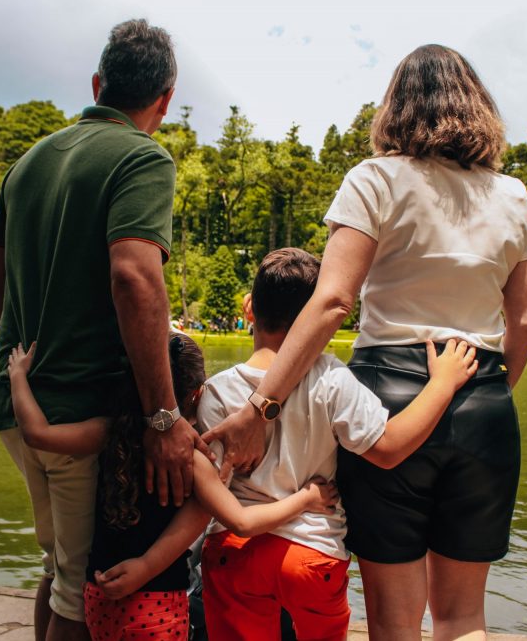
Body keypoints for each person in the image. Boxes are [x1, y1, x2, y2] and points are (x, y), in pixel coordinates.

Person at [203, 45, 527, 641]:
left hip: (387, 398)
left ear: (396, 108)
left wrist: (260, 408)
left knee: (393, 620)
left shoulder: (375, 179)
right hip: (484, 394)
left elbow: (332, 302)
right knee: (464, 617)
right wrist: (482, 393)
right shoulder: (513, 196)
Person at [0, 19, 209, 640]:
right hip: (81, 410)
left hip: (17, 404)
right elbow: (135, 277)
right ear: (165, 98)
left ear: (97, 84)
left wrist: (26, 351)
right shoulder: (141, 156)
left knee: (61, 570)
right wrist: (164, 418)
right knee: (83, 593)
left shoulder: (27, 164)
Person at [198, 248, 478, 641]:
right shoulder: (329, 376)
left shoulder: (216, 390)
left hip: (235, 550)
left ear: (249, 308)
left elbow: (208, 490)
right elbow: (388, 448)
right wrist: (442, 384)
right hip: (312, 551)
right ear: (313, 320)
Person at [6, 332, 338, 641]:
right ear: (196, 393)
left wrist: (18, 377)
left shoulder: (108, 431)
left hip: (100, 596)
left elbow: (37, 434)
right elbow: (242, 522)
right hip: (157, 606)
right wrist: (307, 499)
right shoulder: (194, 459)